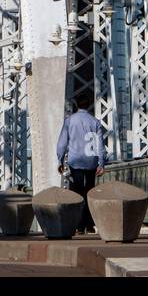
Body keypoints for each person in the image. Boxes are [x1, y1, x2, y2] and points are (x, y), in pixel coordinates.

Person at [56, 99, 105, 234]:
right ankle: (89, 224)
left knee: (78, 191)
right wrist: (101, 163)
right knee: (89, 191)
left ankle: (79, 225)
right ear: (88, 105)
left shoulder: (70, 121)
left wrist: (60, 160)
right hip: (91, 161)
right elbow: (100, 145)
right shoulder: (95, 122)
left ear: (77, 105)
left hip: (75, 160)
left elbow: (62, 143)